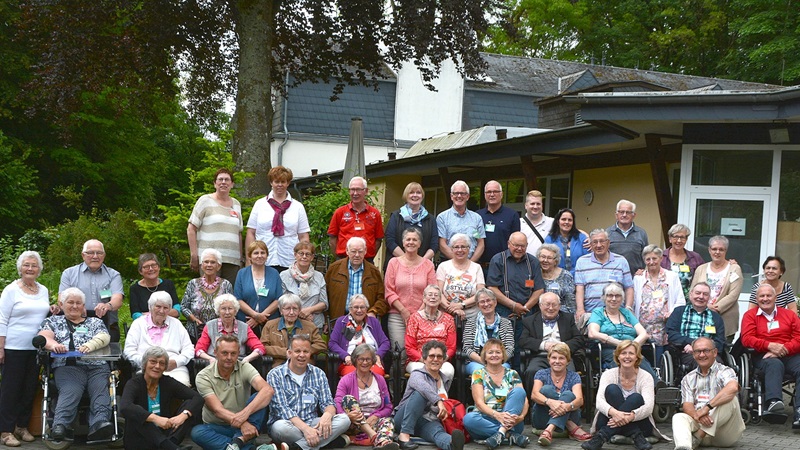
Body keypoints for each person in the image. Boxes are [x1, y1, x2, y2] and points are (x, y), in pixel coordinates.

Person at [38, 288, 114, 442]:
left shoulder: (95, 322)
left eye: (78, 303)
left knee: (99, 388)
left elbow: (104, 337)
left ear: (83, 306)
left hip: (96, 365)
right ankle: (60, 425)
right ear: (61, 304)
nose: (74, 306)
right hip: (68, 366)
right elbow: (44, 336)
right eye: (70, 302)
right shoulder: (52, 321)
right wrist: (53, 345)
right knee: (71, 390)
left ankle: (99, 424)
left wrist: (91, 345)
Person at [0, 251, 55, 447]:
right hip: (14, 347)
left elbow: (43, 314)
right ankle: (5, 431)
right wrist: (0, 347)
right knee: (10, 389)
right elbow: (2, 319)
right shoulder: (11, 290)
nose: (30, 268)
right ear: (20, 268)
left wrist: (53, 309)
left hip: (37, 348)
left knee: (29, 388)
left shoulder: (43, 290)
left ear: (39, 269)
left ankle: (21, 426)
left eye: (34, 265)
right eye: (26, 265)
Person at [267, 335, 352, 450]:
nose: (302, 355)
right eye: (297, 351)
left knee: (344, 420)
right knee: (280, 427)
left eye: (306, 351)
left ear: (310, 353)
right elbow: (282, 409)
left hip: (312, 422)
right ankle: (327, 443)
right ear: (289, 353)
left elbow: (328, 403)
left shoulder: (318, 373)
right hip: (288, 425)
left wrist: (327, 415)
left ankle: (297, 447)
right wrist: (306, 430)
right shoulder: (275, 374)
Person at [192, 335, 276, 450]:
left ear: (239, 353)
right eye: (224, 353)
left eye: (233, 353)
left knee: (260, 396)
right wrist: (243, 424)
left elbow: (268, 390)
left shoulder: (244, 367)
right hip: (218, 427)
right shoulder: (204, 376)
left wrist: (245, 415)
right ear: (215, 353)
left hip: (247, 424)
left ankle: (236, 443)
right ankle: (245, 445)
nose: (229, 357)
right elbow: (217, 410)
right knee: (197, 432)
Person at [582, 341, 667, 450]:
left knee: (636, 398)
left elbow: (649, 407)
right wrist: (616, 414)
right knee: (612, 389)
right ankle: (636, 436)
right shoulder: (608, 374)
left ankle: (601, 436)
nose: (627, 357)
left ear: (637, 357)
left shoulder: (646, 377)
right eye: (623, 353)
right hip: (609, 419)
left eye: (631, 353)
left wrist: (630, 417)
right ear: (618, 356)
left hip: (638, 423)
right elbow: (599, 401)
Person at [120, 346, 203, 450]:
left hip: (165, 436)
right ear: (145, 364)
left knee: (190, 407)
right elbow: (124, 406)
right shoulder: (134, 383)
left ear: (165, 368)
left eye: (162, 363)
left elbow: (197, 397)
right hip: (139, 440)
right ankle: (171, 448)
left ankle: (169, 445)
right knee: (138, 414)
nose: (157, 366)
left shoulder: (167, 382)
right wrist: (155, 418)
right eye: (153, 362)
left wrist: (183, 416)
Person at [740, 284, 800, 426]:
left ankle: (799, 410)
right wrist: (769, 346)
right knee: (774, 363)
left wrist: (784, 348)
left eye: (768, 295)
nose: (765, 299)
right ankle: (774, 402)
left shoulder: (789, 315)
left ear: (775, 297)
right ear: (757, 298)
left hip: (789, 354)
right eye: (762, 296)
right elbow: (747, 339)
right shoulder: (750, 315)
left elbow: (798, 336)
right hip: (763, 356)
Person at [671, 337, 745, 450]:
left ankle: (698, 436)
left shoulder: (725, 371)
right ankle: (684, 446)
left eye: (706, 351)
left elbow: (733, 387)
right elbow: (687, 405)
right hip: (700, 422)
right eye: (697, 351)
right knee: (678, 417)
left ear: (715, 352)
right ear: (693, 354)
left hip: (723, 434)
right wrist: (698, 416)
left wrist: (707, 408)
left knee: (731, 399)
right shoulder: (688, 378)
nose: (701, 355)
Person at [393, 340, 466, 450]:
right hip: (404, 418)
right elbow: (424, 388)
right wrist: (439, 401)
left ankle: (452, 444)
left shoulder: (445, 379)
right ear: (425, 358)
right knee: (420, 394)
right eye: (432, 356)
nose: (435, 359)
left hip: (427, 420)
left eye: (439, 356)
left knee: (437, 431)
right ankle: (404, 436)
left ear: (443, 360)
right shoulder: (416, 374)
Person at [464, 339, 530, 448]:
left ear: (503, 356)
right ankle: (510, 435)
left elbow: (525, 400)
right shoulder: (478, 374)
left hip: (512, 421)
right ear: (484, 356)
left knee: (519, 391)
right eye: (490, 352)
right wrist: (497, 415)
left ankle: (500, 433)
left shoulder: (512, 374)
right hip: (485, 420)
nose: (494, 355)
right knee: (469, 419)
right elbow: (479, 404)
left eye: (498, 352)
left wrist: (521, 417)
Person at [245, 165, 310, 273]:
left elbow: (303, 236)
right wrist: (249, 258)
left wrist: (303, 258)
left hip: (289, 261)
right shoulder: (260, 204)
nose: (280, 185)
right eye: (276, 181)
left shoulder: (297, 207)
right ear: (271, 183)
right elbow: (251, 232)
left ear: (288, 183)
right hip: (263, 260)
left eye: (283, 181)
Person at [587, 283, 657, 381]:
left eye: (618, 296)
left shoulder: (626, 313)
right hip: (609, 349)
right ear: (604, 298)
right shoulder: (598, 313)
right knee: (621, 358)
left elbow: (643, 334)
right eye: (610, 295)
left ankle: (656, 387)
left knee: (638, 359)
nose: (614, 299)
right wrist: (618, 343)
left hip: (632, 348)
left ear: (622, 298)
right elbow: (593, 333)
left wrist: (632, 346)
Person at [334, 344, 398, 450]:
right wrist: (347, 416)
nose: (365, 362)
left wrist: (377, 415)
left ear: (373, 361)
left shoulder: (380, 380)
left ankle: (383, 444)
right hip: (352, 423)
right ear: (355, 360)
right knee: (348, 399)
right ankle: (374, 436)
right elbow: (338, 402)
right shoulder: (346, 380)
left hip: (373, 422)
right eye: (361, 359)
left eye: (368, 359)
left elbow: (388, 406)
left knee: (388, 421)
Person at [124, 291, 196, 386]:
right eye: (158, 306)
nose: (162, 311)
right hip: (146, 369)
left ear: (170, 309)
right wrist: (147, 363)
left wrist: (176, 362)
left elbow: (189, 349)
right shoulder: (138, 324)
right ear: (150, 307)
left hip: (174, 368)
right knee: (145, 386)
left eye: (165, 308)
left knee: (181, 386)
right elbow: (128, 351)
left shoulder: (176, 324)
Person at [59, 238, 124, 341]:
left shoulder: (113, 275)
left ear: (104, 255)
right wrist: (77, 308)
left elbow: (118, 299)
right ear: (83, 255)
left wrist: (107, 305)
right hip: (77, 326)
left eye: (99, 253)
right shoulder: (69, 274)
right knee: (77, 355)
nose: (95, 256)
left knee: (109, 356)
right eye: (90, 253)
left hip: (107, 326)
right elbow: (61, 300)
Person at [519, 292, 584, 393]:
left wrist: (563, 346)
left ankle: (566, 403)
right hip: (540, 356)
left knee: (570, 372)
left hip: (563, 357)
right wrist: (544, 345)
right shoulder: (530, 320)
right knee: (531, 371)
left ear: (559, 306)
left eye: (554, 305)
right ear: (540, 306)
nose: (551, 308)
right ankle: (534, 404)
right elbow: (523, 340)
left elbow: (579, 339)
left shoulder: (568, 318)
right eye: (547, 304)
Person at [188, 168, 243, 284]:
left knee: (229, 297)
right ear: (215, 183)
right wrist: (194, 255)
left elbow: (239, 233)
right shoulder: (205, 201)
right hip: (210, 260)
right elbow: (191, 229)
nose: (223, 182)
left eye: (227, 180)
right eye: (220, 179)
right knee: (209, 292)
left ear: (232, 184)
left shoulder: (236, 204)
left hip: (232, 260)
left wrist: (240, 258)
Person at [386, 228, 437, 354]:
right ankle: (399, 374)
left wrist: (417, 314)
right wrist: (403, 311)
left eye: (415, 239)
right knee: (400, 353)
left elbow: (432, 291)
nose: (411, 242)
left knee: (422, 353)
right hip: (397, 316)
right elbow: (389, 291)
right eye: (408, 239)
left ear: (420, 244)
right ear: (403, 243)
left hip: (423, 316)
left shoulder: (428, 265)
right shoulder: (393, 263)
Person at [530, 343, 591, 445]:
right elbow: (534, 395)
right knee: (546, 390)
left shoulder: (574, 376)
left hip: (570, 414)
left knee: (569, 395)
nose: (557, 361)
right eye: (554, 358)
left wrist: (567, 406)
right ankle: (569, 424)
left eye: (561, 358)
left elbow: (579, 400)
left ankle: (549, 430)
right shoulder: (541, 374)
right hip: (542, 418)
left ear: (567, 361)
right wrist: (549, 402)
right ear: (549, 359)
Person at [633, 245, 686, 363]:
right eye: (648, 259)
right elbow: (633, 302)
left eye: (654, 258)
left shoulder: (672, 277)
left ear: (661, 258)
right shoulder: (638, 278)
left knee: (659, 359)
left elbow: (680, 300)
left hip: (662, 327)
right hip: (643, 326)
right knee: (641, 359)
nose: (651, 262)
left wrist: (671, 314)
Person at [575, 229, 634, 327]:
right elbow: (580, 288)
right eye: (595, 242)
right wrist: (580, 309)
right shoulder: (581, 262)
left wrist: (628, 308)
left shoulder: (621, 261)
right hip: (591, 314)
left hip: (617, 315)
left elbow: (629, 287)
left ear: (608, 243)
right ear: (591, 244)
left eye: (602, 241)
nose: (598, 245)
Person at [690, 235, 742, 342]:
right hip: (701, 317)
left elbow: (733, 295)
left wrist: (715, 308)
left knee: (720, 352)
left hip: (725, 319)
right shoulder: (701, 268)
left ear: (725, 251)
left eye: (721, 249)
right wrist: (705, 306)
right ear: (709, 250)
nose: (717, 252)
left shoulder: (734, 269)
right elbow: (692, 291)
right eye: (714, 249)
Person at [665, 283, 726, 371]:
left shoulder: (716, 317)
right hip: (686, 352)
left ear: (709, 298)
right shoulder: (679, 312)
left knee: (717, 364)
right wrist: (691, 345)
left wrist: (699, 348)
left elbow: (719, 342)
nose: (701, 297)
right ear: (690, 295)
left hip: (709, 354)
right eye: (698, 293)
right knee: (699, 362)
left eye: (705, 294)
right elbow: (672, 334)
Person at [325, 237, 389, 319]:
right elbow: (324, 296)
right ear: (347, 251)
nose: (357, 255)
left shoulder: (374, 272)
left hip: (365, 320)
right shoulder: (334, 269)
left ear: (365, 251)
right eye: (353, 251)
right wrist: (326, 319)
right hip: (338, 319)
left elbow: (382, 299)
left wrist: (373, 311)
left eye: (360, 251)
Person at [329, 294, 390, 376]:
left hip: (371, 361)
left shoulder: (373, 322)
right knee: (352, 375)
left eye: (362, 307)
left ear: (366, 309)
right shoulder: (342, 322)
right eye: (356, 307)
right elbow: (332, 343)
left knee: (376, 373)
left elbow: (385, 342)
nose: (359, 310)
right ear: (350, 309)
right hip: (351, 362)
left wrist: (378, 356)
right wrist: (345, 356)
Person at [195, 294, 265, 365]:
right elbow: (199, 350)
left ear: (235, 311)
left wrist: (247, 359)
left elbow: (260, 348)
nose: (227, 312)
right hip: (215, 364)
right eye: (223, 309)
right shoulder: (210, 326)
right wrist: (210, 359)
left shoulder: (244, 327)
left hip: (238, 364)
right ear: (218, 311)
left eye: (230, 308)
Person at [487, 232, 545, 318]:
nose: (519, 249)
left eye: (523, 246)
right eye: (516, 245)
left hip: (527, 312)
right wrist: (513, 305)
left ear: (527, 245)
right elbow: (492, 288)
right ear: (508, 244)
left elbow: (539, 289)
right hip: (503, 312)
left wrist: (524, 309)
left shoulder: (533, 262)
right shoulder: (498, 260)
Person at [182, 248, 234, 342]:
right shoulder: (193, 283)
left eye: (212, 262)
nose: (209, 265)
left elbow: (232, 308)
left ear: (218, 266)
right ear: (202, 266)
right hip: (195, 332)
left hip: (219, 333)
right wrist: (194, 319)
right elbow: (183, 307)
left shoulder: (226, 284)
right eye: (206, 262)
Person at [260, 293, 326, 367]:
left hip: (304, 365)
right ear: (281, 311)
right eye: (287, 309)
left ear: (299, 310)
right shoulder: (270, 325)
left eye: (295, 309)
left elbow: (321, 345)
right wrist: (285, 352)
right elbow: (262, 346)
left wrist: (301, 352)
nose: (291, 312)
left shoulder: (310, 326)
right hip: (279, 365)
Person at [328, 176, 384, 262]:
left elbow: (378, 240)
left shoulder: (375, 214)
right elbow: (332, 240)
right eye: (352, 189)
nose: (355, 193)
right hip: (343, 259)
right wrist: (339, 259)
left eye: (358, 189)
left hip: (366, 260)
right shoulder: (340, 212)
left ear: (366, 191)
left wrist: (368, 256)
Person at [405, 285, 456, 378]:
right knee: (421, 372)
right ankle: (429, 393)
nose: (433, 297)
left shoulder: (449, 319)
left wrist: (439, 359)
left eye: (436, 295)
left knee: (448, 371)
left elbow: (451, 347)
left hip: (441, 360)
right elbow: (409, 347)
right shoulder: (414, 318)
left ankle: (441, 393)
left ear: (440, 300)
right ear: (424, 298)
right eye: (430, 294)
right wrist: (425, 360)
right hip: (419, 360)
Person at [235, 241, 283, 336]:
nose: (259, 256)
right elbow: (238, 299)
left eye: (263, 252)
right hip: (246, 322)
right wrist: (255, 315)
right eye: (256, 253)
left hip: (270, 322)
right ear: (250, 256)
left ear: (267, 255)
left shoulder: (274, 273)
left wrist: (261, 317)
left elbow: (279, 299)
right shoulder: (242, 273)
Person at [462, 289, 514, 374]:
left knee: (502, 370)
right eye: (482, 302)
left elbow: (510, 348)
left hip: (501, 362)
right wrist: (484, 361)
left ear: (495, 302)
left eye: (488, 300)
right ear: (478, 305)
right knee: (481, 371)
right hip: (476, 362)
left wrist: (497, 361)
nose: (486, 304)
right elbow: (467, 348)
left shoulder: (505, 323)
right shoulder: (471, 323)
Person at [384, 182, 438, 264]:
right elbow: (390, 241)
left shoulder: (430, 219)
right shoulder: (396, 216)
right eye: (411, 192)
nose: (415, 195)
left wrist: (420, 262)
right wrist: (407, 260)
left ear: (422, 196)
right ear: (406, 196)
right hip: (397, 265)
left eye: (418, 192)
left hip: (422, 266)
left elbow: (434, 244)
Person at [437, 233, 486, 320]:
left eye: (463, 247)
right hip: (446, 315)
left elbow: (480, 293)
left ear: (469, 249)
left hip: (472, 317)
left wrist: (461, 305)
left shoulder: (477, 267)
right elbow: (438, 292)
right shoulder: (443, 266)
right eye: (456, 247)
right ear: (451, 249)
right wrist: (452, 309)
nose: (460, 250)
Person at [280, 241, 328, 329]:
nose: (304, 257)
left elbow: (324, 303)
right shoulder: (284, 275)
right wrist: (300, 314)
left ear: (312, 257)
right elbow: (282, 302)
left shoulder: (319, 276)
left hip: (314, 323)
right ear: (295, 255)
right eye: (301, 253)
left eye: (308, 254)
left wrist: (309, 310)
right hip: (291, 322)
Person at [477, 180, 521, 273]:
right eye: (489, 192)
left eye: (495, 191)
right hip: (481, 267)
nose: (492, 194)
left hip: (504, 267)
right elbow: (475, 237)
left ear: (501, 194)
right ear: (485, 195)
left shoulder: (512, 215)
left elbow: (515, 242)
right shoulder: (477, 216)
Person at [437, 180, 485, 262]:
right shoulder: (442, 217)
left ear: (467, 196)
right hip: (449, 264)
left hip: (472, 264)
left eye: (462, 193)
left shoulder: (477, 218)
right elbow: (442, 244)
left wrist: (470, 264)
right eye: (456, 193)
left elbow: (481, 244)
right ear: (451, 196)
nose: (459, 196)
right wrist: (459, 261)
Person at [130, 253, 180, 320]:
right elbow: (135, 315)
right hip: (145, 326)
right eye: (146, 267)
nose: (151, 269)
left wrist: (149, 314)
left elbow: (177, 310)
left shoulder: (168, 284)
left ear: (159, 268)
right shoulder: (135, 289)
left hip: (169, 324)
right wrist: (164, 313)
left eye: (154, 265)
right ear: (140, 271)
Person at [660, 224, 704, 299]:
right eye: (676, 237)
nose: (679, 240)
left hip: (688, 301)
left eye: (682, 237)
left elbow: (706, 272)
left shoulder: (695, 257)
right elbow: (650, 274)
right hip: (666, 299)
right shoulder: (660, 256)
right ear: (670, 238)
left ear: (686, 239)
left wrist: (730, 264)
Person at [606, 200, 649, 274]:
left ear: (634, 215)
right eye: (621, 212)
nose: (624, 215)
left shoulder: (641, 233)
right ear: (616, 215)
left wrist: (642, 269)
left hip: (635, 278)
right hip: (612, 278)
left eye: (628, 212)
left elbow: (646, 255)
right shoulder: (607, 233)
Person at [544, 208, 589, 277]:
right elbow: (547, 261)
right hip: (556, 278)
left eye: (570, 220)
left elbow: (587, 259)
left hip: (579, 278)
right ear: (558, 221)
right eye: (563, 219)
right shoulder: (550, 239)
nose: (567, 222)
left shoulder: (581, 238)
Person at [538, 244, 577, 314]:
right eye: (543, 257)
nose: (545, 260)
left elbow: (571, 303)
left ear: (556, 261)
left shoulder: (566, 276)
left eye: (549, 258)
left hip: (561, 316)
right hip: (538, 317)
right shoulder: (534, 274)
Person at [520, 190, 554, 257]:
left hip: (545, 264)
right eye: (532, 204)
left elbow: (570, 230)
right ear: (526, 206)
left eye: (538, 204)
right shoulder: (518, 223)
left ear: (542, 206)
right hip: (523, 264)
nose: (535, 207)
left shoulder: (552, 222)